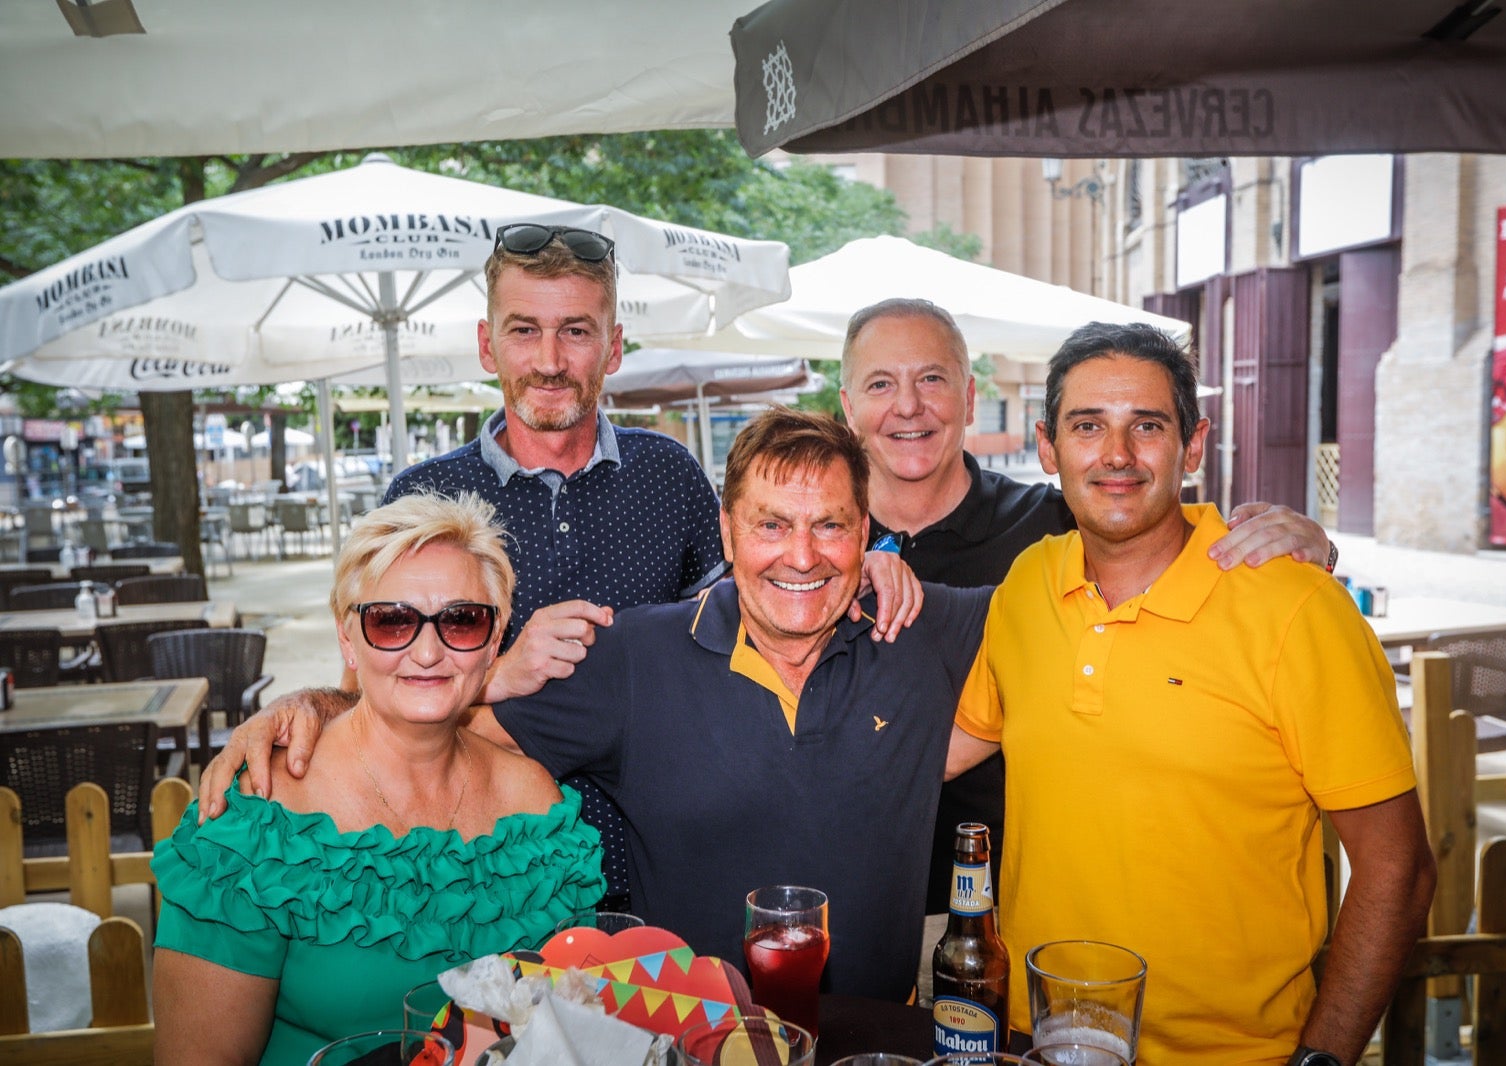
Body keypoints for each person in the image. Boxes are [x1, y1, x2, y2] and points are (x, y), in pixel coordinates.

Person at [214, 408, 993, 1005]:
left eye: (830, 526)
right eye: (771, 524)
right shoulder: (631, 656)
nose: (801, 554)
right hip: (685, 1041)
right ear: (726, 530)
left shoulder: (923, 631)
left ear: (867, 534)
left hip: (871, 1040)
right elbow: (437, 727)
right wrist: (316, 707)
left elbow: (1079, 604)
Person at [257, 223, 918, 911]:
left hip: (663, 888)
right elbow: (366, 700)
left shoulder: (670, 475)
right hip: (484, 885)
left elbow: (757, 614)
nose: (549, 360)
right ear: (488, 345)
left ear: (614, 347)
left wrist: (857, 564)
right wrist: (495, 673)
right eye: (523, 331)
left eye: (575, 331)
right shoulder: (421, 501)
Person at [947, 322, 1435, 1065]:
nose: (1116, 455)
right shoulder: (1026, 586)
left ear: (1194, 446)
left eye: (1147, 426)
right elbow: (949, 749)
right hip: (1032, 1039)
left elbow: (1398, 869)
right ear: (1049, 448)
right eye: (1088, 427)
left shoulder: (1294, 609)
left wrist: (1323, 1058)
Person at [837, 297, 1335, 914]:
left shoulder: (1059, 530)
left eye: (932, 379)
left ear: (968, 399)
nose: (908, 405)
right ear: (848, 406)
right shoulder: (808, 546)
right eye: (881, 383)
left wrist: (1310, 548)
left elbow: (1176, 543)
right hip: (852, 897)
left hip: (1013, 914)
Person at [153, 493, 604, 1066]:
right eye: (392, 621)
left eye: (462, 620)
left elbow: (570, 1025)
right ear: (348, 637)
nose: (427, 651)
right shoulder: (257, 813)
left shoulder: (537, 807)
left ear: (495, 639)